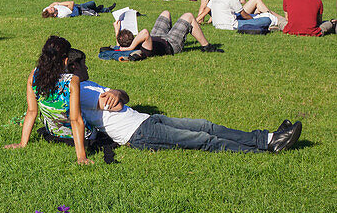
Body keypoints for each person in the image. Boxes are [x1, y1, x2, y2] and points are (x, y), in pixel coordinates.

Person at [74, 64, 302, 154]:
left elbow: (122, 96)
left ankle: (268, 138)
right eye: (83, 64)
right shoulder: (80, 91)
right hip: (138, 134)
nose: (87, 67)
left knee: (206, 125)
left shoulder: (88, 85)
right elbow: (117, 104)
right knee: (204, 139)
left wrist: (115, 92)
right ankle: (264, 150)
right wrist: (115, 95)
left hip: (147, 120)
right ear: (74, 67)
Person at [5, 36, 93, 164]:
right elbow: (75, 119)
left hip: (54, 133)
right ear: (66, 60)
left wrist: (22, 143)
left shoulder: (34, 75)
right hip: (81, 136)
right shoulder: (71, 81)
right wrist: (81, 157)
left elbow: (31, 112)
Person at [112, 10, 217, 59]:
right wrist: (130, 47)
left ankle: (173, 31)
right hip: (171, 44)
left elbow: (119, 45)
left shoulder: (129, 44)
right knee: (189, 16)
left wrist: (117, 29)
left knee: (165, 13)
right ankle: (206, 46)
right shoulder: (144, 48)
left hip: (158, 36)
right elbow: (144, 32)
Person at [42, 0, 114, 18]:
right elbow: (71, 3)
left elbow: (53, 3)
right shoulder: (63, 13)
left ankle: (99, 8)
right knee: (92, 5)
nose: (51, 7)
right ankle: (106, 10)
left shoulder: (46, 10)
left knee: (92, 4)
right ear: (54, 15)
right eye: (51, 9)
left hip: (78, 6)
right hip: (81, 10)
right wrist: (59, 4)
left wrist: (56, 4)